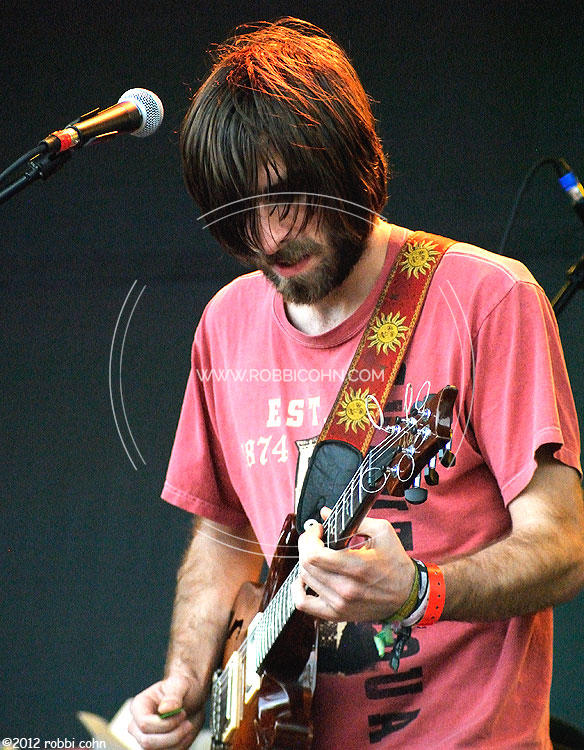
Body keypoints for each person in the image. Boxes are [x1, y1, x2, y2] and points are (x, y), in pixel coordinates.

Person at [128, 17, 584, 749]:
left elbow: (563, 543)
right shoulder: (225, 324)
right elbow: (223, 533)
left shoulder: (489, 300)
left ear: (352, 165)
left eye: (288, 196)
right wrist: (187, 684)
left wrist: (421, 591)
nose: (270, 238)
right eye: (242, 212)